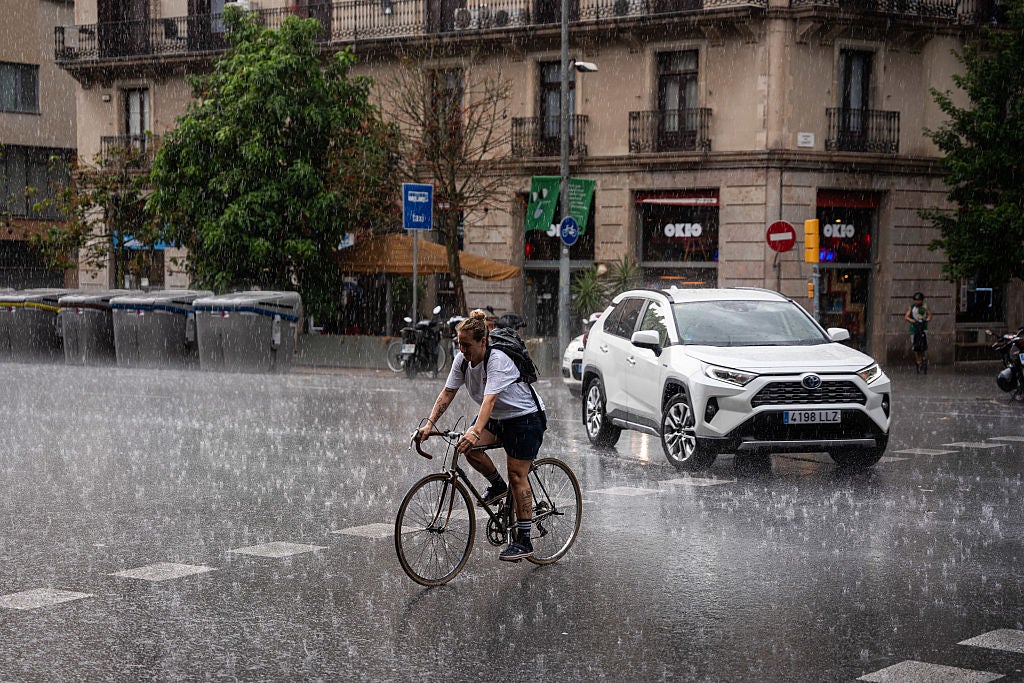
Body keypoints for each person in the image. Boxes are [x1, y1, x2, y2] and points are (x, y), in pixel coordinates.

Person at [416, 309, 547, 561]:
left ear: (483, 341)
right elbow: (447, 393)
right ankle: (498, 486)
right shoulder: (462, 360)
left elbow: (490, 399)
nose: (462, 350)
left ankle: (524, 540)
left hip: (525, 418)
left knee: (517, 475)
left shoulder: (497, 359)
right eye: (459, 344)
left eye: (467, 345)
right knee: (467, 448)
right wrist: (429, 424)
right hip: (497, 417)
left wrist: (475, 431)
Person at [904, 292, 932, 373]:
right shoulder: (912, 307)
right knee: (915, 346)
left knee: (923, 344)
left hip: (923, 328)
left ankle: (923, 359)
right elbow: (906, 316)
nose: (917, 302)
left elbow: (929, 315)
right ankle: (918, 361)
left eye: (919, 300)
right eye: (916, 300)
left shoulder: (925, 307)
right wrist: (912, 320)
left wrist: (927, 319)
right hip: (914, 329)